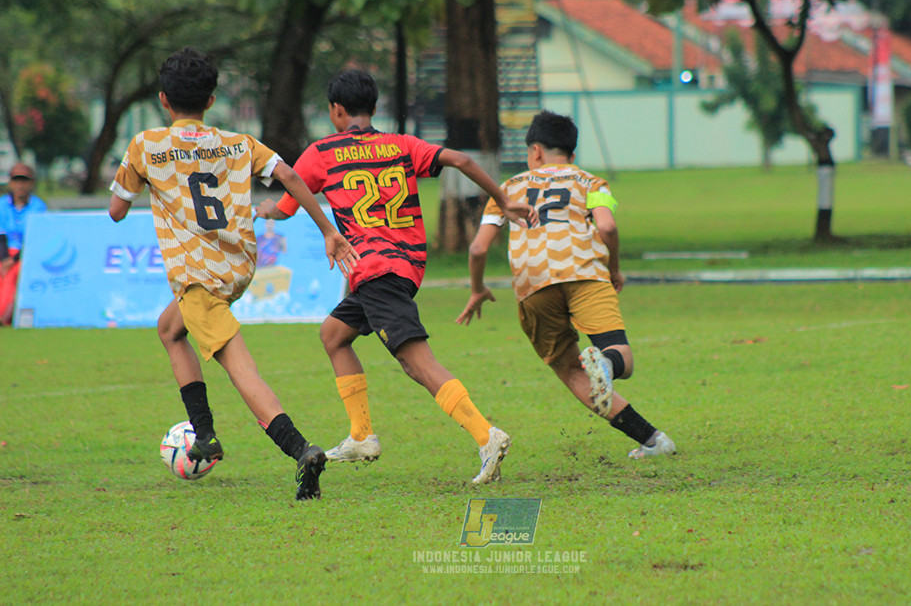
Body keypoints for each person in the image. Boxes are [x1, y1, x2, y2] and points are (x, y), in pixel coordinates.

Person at [256, 68, 537, 484]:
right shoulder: (401, 145)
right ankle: (361, 435)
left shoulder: (322, 153)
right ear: (372, 108)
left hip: (374, 268)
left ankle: (486, 435)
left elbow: (287, 202)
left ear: (336, 110)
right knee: (334, 334)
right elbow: (460, 159)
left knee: (416, 362)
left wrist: (263, 211)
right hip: (405, 267)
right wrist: (503, 199)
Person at [109, 47, 359, 500]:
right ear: (210, 101)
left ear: (163, 100)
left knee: (240, 368)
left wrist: (137, 180)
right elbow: (290, 175)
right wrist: (327, 230)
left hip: (198, 276)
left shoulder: (145, 145)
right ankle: (204, 435)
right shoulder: (238, 142)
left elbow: (116, 212)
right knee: (170, 329)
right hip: (239, 264)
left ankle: (301, 449)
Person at [456, 110, 676, 460]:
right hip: (584, 271)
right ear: (571, 155)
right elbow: (607, 228)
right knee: (622, 358)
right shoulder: (591, 182)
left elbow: (478, 247)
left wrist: (477, 289)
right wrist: (614, 268)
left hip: (533, 283)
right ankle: (608, 367)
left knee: (571, 369)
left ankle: (652, 441)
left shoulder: (508, 188)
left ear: (536, 152)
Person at [0, 162, 47, 326]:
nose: (20, 185)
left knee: (12, 274)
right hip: (5, 252)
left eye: (24, 181)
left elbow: (33, 238)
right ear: (11, 183)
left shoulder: (38, 206)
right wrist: (5, 258)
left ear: (31, 183)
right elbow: (1, 235)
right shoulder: (2, 204)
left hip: (26, 253)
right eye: (16, 180)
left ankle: (2, 314)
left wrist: (12, 260)